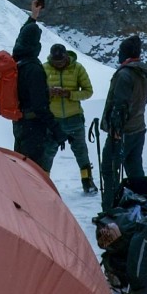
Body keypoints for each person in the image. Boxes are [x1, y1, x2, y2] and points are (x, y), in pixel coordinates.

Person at [99, 34, 147, 210]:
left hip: (122, 132)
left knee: (109, 169)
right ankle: (142, 202)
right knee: (135, 168)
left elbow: (120, 104)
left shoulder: (124, 75)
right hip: (138, 129)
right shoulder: (142, 73)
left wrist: (115, 128)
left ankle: (110, 209)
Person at [42, 43, 97, 193]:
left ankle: (87, 182)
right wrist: (49, 93)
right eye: (55, 62)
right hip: (53, 121)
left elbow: (88, 91)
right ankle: (44, 185)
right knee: (47, 154)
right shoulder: (44, 68)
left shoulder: (78, 68)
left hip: (74, 118)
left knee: (81, 152)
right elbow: (37, 93)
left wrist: (69, 94)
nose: (58, 64)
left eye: (61, 61)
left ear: (66, 57)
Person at [11, 0, 54, 171]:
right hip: (33, 128)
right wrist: (57, 130)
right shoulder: (33, 69)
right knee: (34, 172)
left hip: (20, 125)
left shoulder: (17, 59)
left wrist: (33, 17)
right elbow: (40, 107)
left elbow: (23, 37)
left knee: (21, 168)